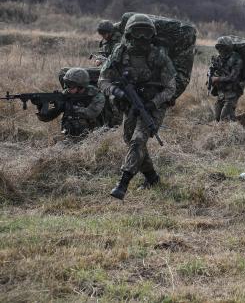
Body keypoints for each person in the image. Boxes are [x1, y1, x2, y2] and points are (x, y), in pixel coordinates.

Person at [99, 14, 176, 200]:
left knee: (138, 140)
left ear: (152, 35)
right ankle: (152, 178)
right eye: (137, 33)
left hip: (153, 105)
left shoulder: (159, 56)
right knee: (129, 139)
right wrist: (118, 92)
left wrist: (153, 102)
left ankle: (122, 183)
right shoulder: (119, 53)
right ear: (129, 34)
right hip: (130, 104)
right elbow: (103, 80)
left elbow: (170, 88)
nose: (141, 38)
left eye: (146, 34)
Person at [36, 67, 106, 138]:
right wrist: (41, 107)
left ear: (80, 86)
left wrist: (70, 107)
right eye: (66, 84)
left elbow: (90, 113)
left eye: (70, 85)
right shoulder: (67, 94)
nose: (67, 88)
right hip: (69, 137)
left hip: (93, 137)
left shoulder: (97, 95)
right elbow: (48, 117)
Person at [209, 36, 244, 122]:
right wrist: (211, 79)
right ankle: (240, 120)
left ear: (228, 48)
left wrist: (217, 79)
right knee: (217, 118)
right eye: (219, 47)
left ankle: (236, 124)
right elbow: (213, 73)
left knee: (224, 119)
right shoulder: (218, 59)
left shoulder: (236, 58)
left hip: (232, 92)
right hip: (221, 93)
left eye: (222, 47)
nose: (220, 50)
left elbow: (233, 77)